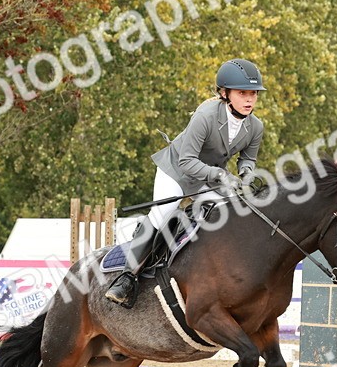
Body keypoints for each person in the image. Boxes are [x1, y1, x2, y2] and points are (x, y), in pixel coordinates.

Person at [105, 58, 266, 307]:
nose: (249, 100)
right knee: (163, 213)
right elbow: (187, 162)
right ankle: (126, 278)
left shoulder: (255, 126)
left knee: (235, 211)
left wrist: (246, 175)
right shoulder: (205, 116)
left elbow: (248, 159)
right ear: (225, 93)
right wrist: (221, 175)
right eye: (242, 93)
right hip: (178, 171)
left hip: (209, 176)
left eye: (253, 94)